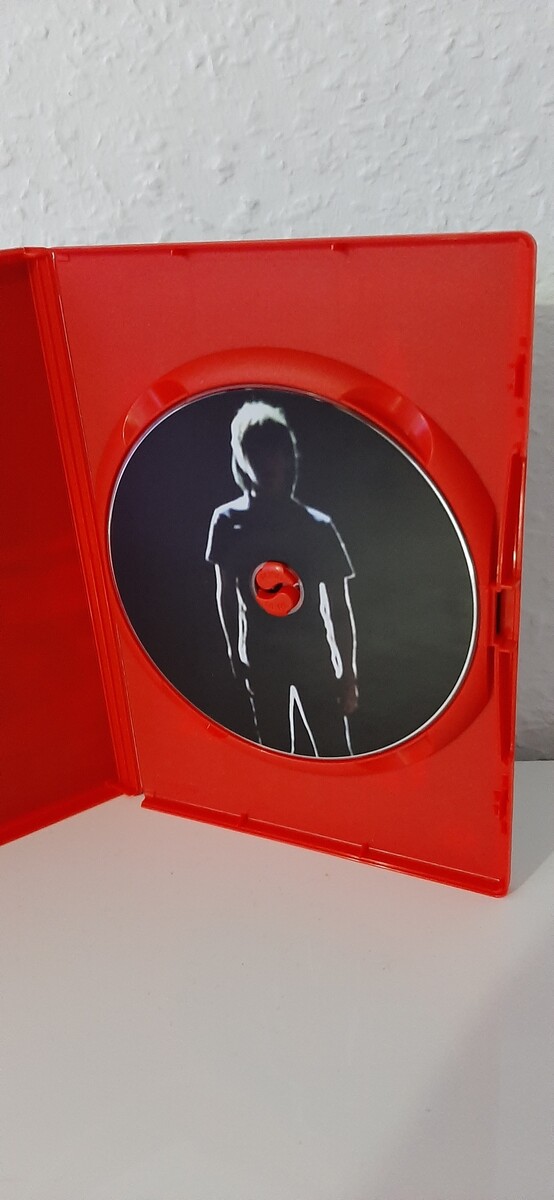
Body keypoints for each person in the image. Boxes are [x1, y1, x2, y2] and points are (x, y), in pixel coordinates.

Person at [205, 399, 358, 756]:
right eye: (256, 452)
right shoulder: (227, 521)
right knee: (275, 755)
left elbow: (339, 607)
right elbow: (225, 594)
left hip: (314, 659)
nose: (267, 461)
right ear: (242, 457)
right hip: (263, 660)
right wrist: (234, 651)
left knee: (334, 754)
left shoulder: (317, 526)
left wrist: (347, 673)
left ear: (288, 457)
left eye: (274, 451)